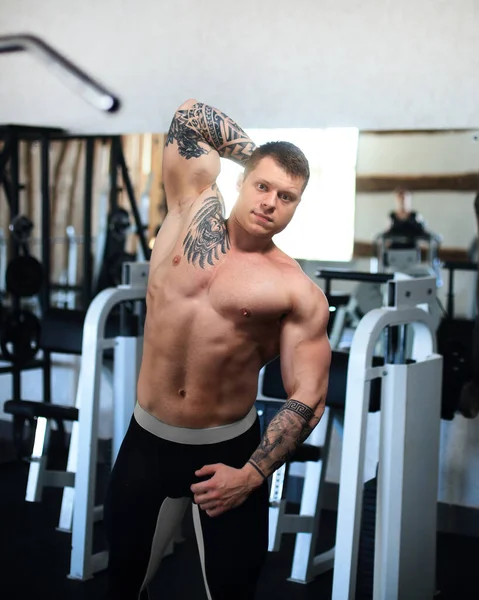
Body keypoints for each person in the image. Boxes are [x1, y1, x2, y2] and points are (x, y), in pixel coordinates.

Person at [103, 99, 331, 600]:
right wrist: (259, 154)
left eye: (287, 196)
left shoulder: (296, 290)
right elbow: (189, 115)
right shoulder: (189, 209)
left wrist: (252, 475)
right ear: (242, 180)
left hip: (229, 449)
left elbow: (309, 394)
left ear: (298, 207)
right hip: (147, 441)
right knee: (121, 582)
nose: (270, 201)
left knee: (232, 590)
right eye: (262, 185)